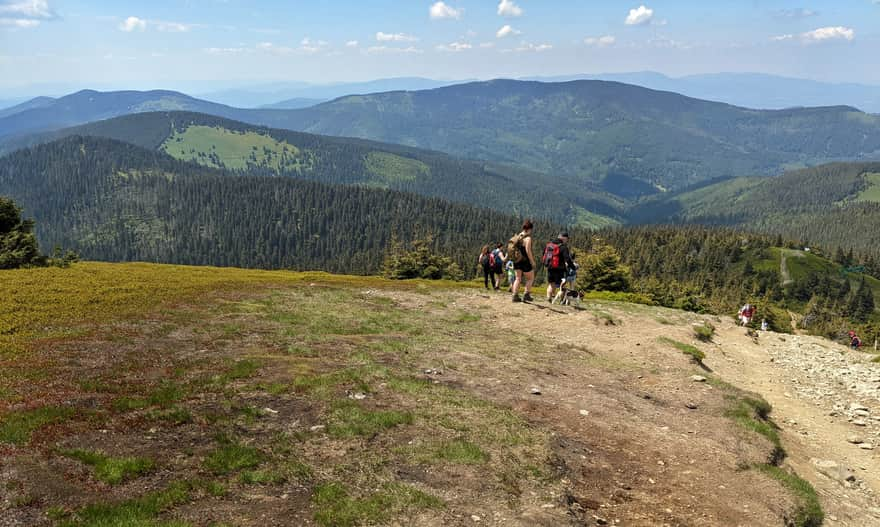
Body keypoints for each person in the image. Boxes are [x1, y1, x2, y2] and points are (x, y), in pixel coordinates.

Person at [508, 219, 536, 303]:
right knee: (530, 278)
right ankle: (526, 294)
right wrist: (532, 261)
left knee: (517, 278)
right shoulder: (528, 238)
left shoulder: (518, 236)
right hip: (525, 260)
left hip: (516, 260)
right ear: (530, 229)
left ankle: (514, 296)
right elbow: (528, 251)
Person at [544, 232, 575, 302]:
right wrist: (573, 267)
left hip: (550, 267)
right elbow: (567, 259)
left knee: (551, 283)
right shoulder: (563, 247)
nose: (567, 241)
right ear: (564, 238)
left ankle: (548, 297)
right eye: (567, 239)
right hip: (559, 269)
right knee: (562, 285)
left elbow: (544, 254)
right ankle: (562, 300)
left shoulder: (549, 245)